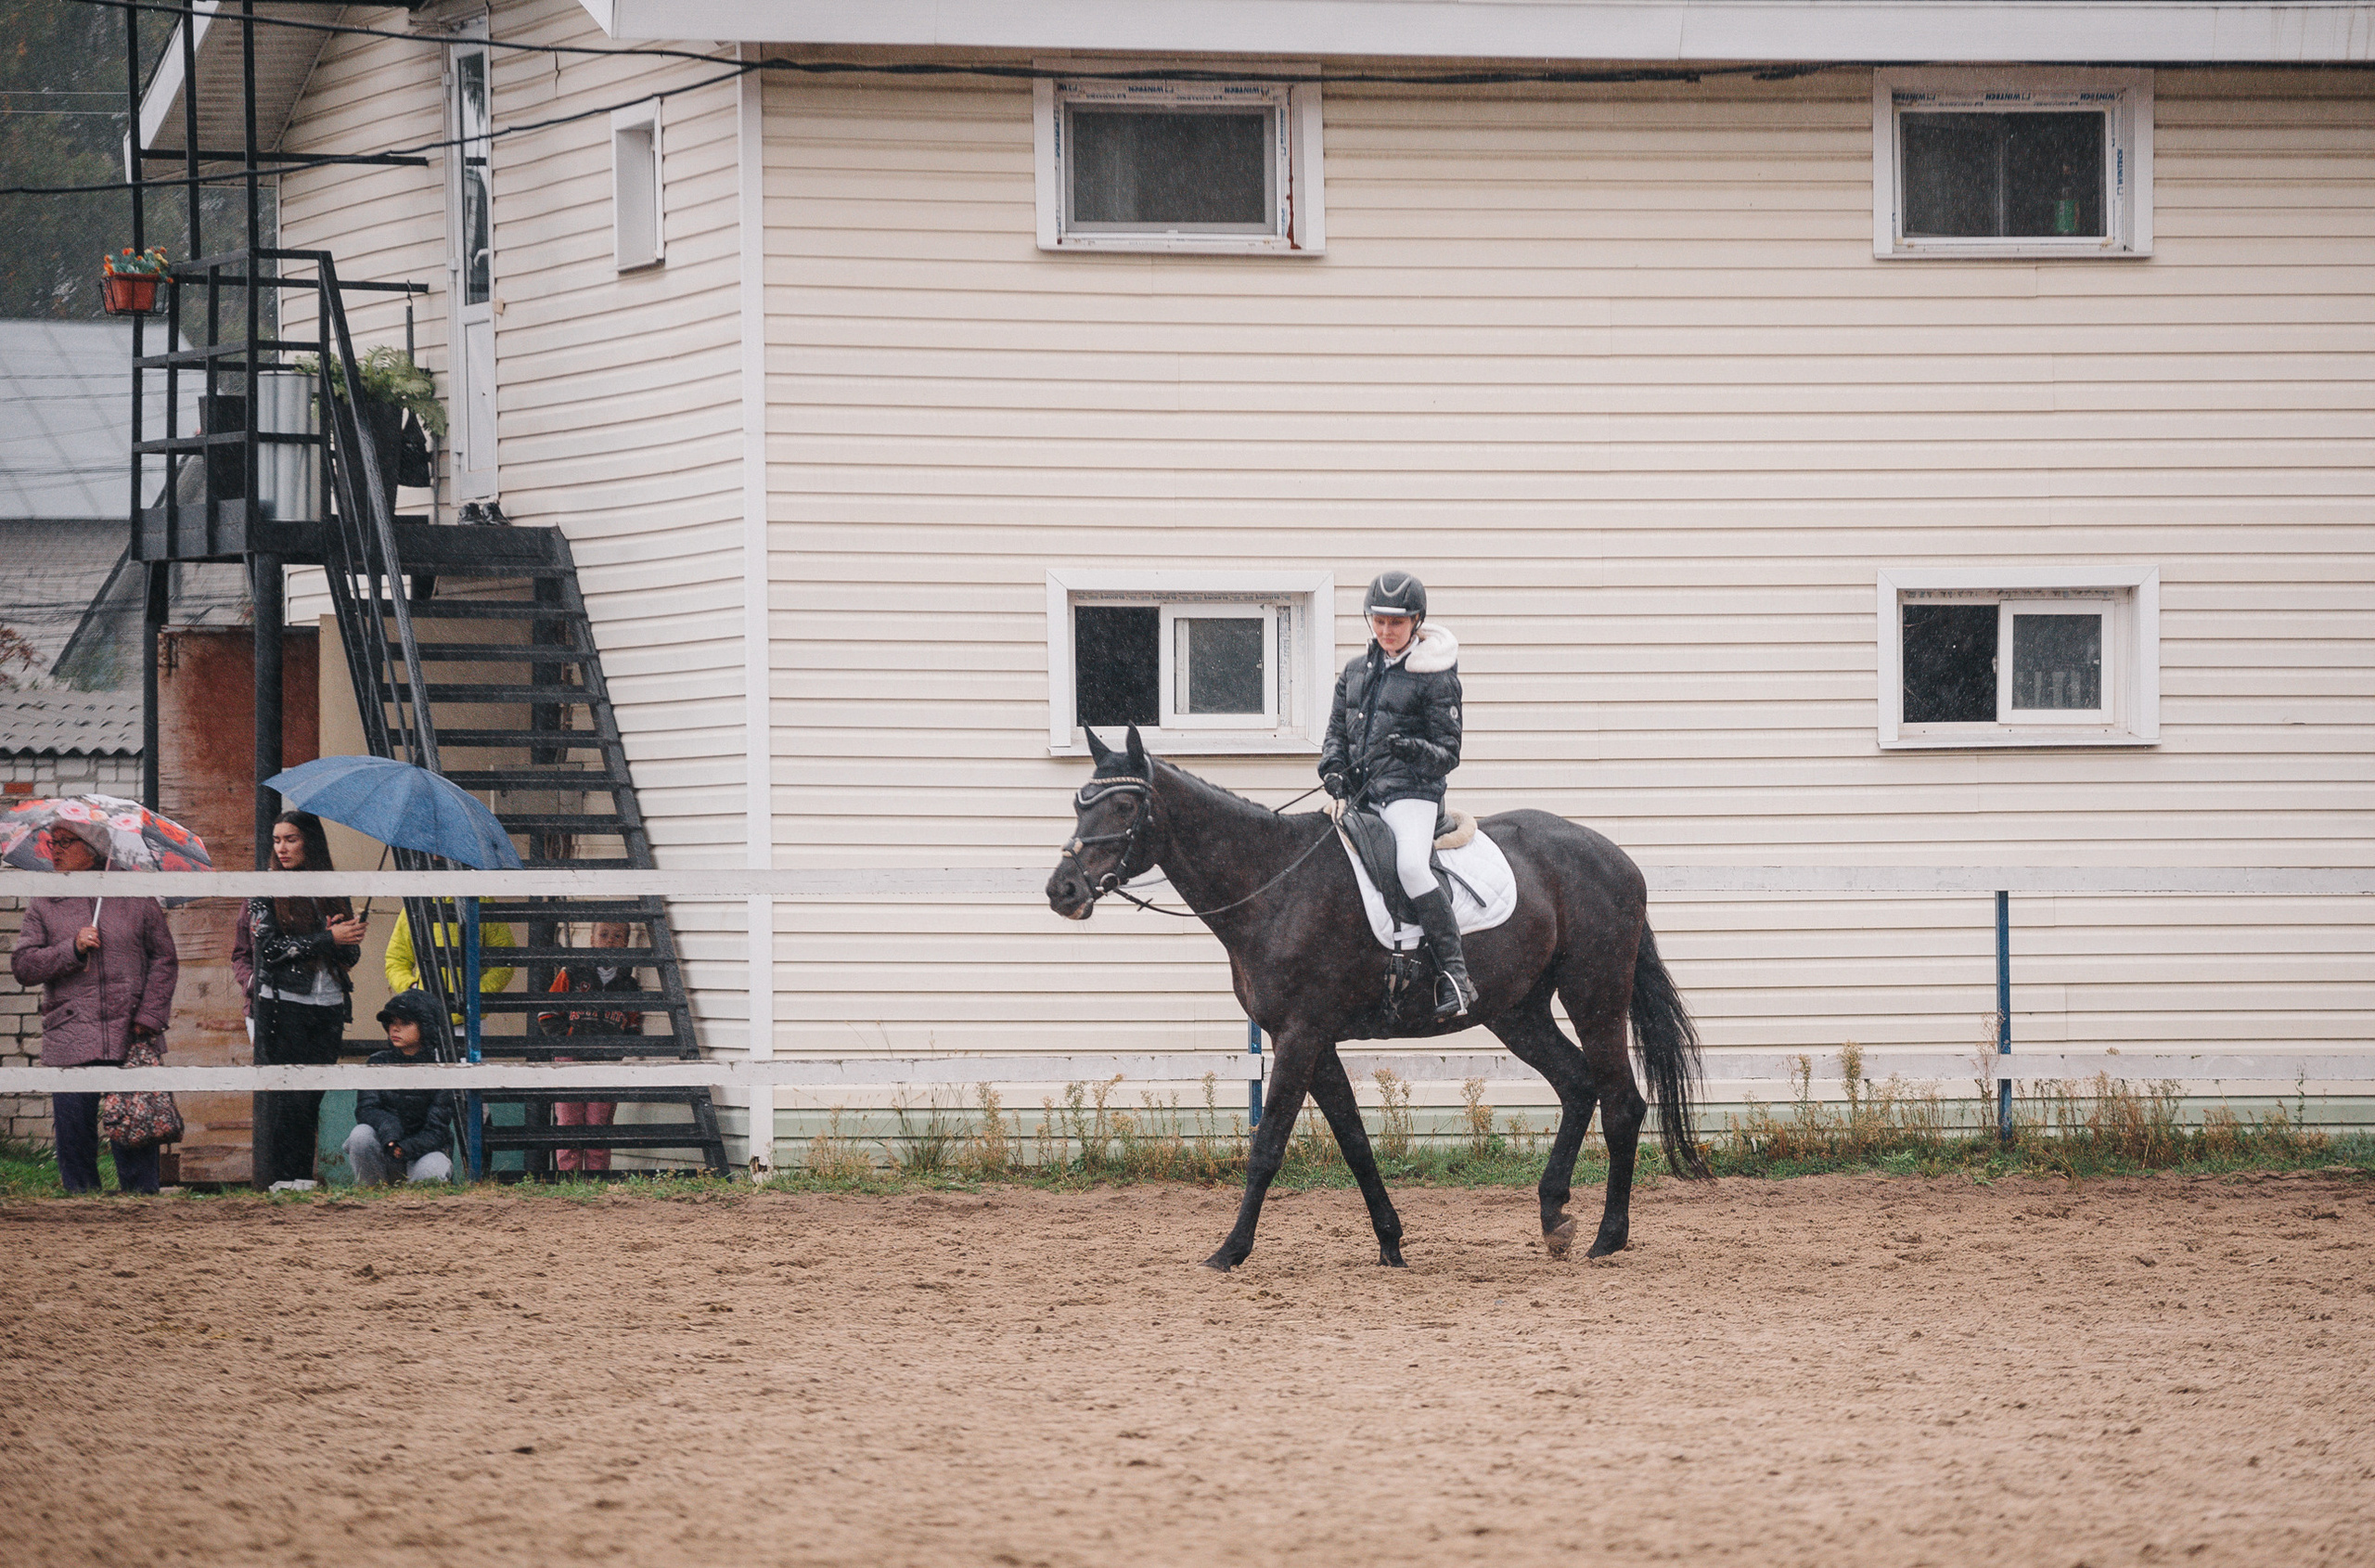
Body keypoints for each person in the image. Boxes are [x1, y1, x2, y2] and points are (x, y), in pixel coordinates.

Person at [1317, 570, 1477, 1019]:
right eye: (1379, 621)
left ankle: (1455, 975)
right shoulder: (1354, 672)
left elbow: (1448, 753)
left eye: (1397, 623)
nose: (1387, 631)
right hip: (1365, 796)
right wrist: (1332, 770)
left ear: (1417, 621)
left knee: (1409, 864)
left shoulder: (1436, 675)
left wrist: (1412, 750)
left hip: (1413, 794)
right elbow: (1336, 736)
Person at [9, 823, 179, 1193]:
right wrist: (72, 948)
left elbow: (165, 958)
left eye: (65, 843)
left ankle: (140, 1205)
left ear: (95, 846)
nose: (54, 850)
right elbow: (23, 966)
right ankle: (82, 1205)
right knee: (74, 1133)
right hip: (71, 1033)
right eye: (51, 843)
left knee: (136, 1127)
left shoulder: (134, 893)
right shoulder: (46, 899)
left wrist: (149, 1016)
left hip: (130, 1031)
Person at [245, 811, 365, 1189]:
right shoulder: (264, 888)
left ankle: (301, 1178)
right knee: (287, 1098)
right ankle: (283, 1178)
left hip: (328, 1006)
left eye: (291, 839)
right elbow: (269, 950)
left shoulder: (332, 887)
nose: (281, 848)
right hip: (283, 1006)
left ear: (310, 842)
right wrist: (326, 939)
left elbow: (349, 960)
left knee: (312, 1096)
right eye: (277, 840)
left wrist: (347, 937)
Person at [534, 920, 646, 1175]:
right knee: (570, 1122)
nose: (610, 940)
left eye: (618, 936)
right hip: (570, 1059)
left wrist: (617, 1048)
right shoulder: (572, 973)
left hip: (604, 1062)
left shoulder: (628, 985)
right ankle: (569, 1178)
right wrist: (570, 1036)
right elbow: (547, 1013)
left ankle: (597, 1179)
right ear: (592, 940)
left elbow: (633, 1023)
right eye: (604, 935)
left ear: (626, 944)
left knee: (599, 1123)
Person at [342, 989, 456, 1185]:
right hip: (385, 1148)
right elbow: (366, 1109)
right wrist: (390, 1131)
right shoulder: (377, 1062)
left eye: (405, 1023)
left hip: (422, 1154)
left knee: (433, 1170)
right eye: (392, 1023)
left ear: (425, 1027)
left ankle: (417, 1210)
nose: (395, 1029)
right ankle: (371, 1196)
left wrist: (404, 1148)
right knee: (360, 1135)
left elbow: (437, 1131)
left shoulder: (441, 1068)